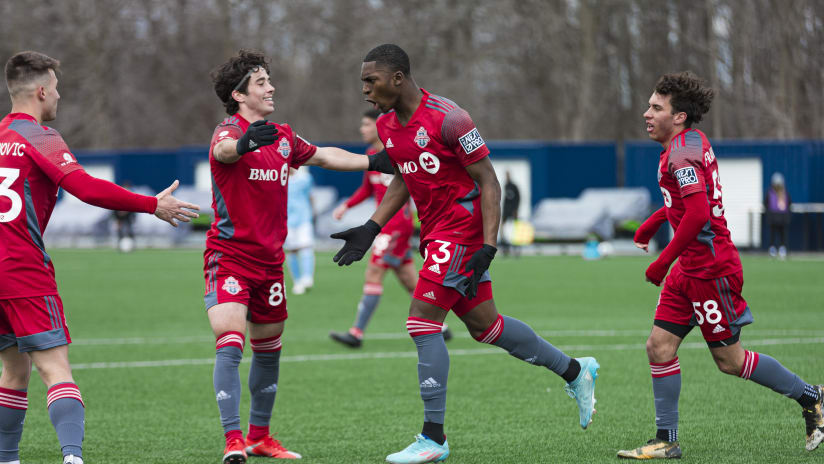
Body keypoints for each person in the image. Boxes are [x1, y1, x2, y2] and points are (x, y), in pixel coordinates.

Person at [331, 44, 600, 464]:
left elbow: (489, 181)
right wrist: (370, 228)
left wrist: (489, 246)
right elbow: (406, 175)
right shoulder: (387, 125)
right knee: (486, 327)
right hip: (436, 235)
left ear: (397, 78)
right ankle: (575, 370)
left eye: (371, 80)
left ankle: (433, 438)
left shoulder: (451, 119)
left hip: (462, 236)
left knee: (422, 324)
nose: (365, 89)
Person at [0, 51, 199, 464]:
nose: (59, 96)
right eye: (56, 89)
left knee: (13, 371)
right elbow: (86, 188)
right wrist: (151, 205)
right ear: (40, 91)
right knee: (55, 370)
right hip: (23, 272)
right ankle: (73, 458)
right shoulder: (38, 136)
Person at [620, 71, 823, 459]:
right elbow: (684, 204)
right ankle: (666, 439)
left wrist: (662, 262)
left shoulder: (679, 154)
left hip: (711, 271)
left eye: (656, 107)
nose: (646, 113)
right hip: (689, 271)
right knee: (659, 346)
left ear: (678, 116)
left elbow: (697, 214)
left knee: (730, 361)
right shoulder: (687, 142)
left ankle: (811, 396)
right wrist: (651, 224)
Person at [205, 49, 393, 464]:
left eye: (269, 80)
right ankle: (233, 441)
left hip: (271, 264)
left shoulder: (284, 136)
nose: (271, 87)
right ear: (239, 95)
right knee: (231, 343)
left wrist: (374, 161)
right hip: (230, 258)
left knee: (269, 350)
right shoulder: (226, 131)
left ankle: (259, 437)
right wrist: (244, 142)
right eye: (261, 83)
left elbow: (325, 155)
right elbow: (223, 153)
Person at [329, 109, 452, 348]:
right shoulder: (370, 155)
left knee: (373, 273)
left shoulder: (396, 151)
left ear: (378, 126)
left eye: (366, 125)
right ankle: (441, 327)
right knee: (410, 280)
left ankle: (356, 333)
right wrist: (347, 205)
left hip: (394, 226)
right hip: (390, 226)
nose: (362, 129)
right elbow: (367, 189)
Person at [284, 167, 315, 295]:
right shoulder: (281, 178)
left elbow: (310, 196)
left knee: (306, 246)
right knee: (292, 249)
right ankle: (297, 281)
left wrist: (313, 212)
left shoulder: (304, 178)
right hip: (286, 220)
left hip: (303, 218)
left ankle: (307, 277)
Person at [765, 172, 791, 259]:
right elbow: (766, 204)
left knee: (782, 234)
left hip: (782, 218)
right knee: (773, 234)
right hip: (773, 218)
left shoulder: (785, 193)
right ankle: (772, 249)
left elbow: (789, 204)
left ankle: (782, 249)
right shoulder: (770, 193)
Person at [500, 171, 520, 256]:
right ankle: (505, 247)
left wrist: (515, 209)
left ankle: (516, 248)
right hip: (506, 211)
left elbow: (518, 198)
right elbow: (505, 200)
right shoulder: (505, 185)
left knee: (514, 229)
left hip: (513, 210)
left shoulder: (514, 186)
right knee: (502, 228)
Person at [112, 180, 137, 252]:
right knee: (119, 231)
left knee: (130, 231)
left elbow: (134, 209)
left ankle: (132, 246)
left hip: (129, 218)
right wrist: (116, 219)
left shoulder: (132, 197)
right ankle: (120, 246)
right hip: (119, 218)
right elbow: (114, 208)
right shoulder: (118, 197)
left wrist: (133, 218)